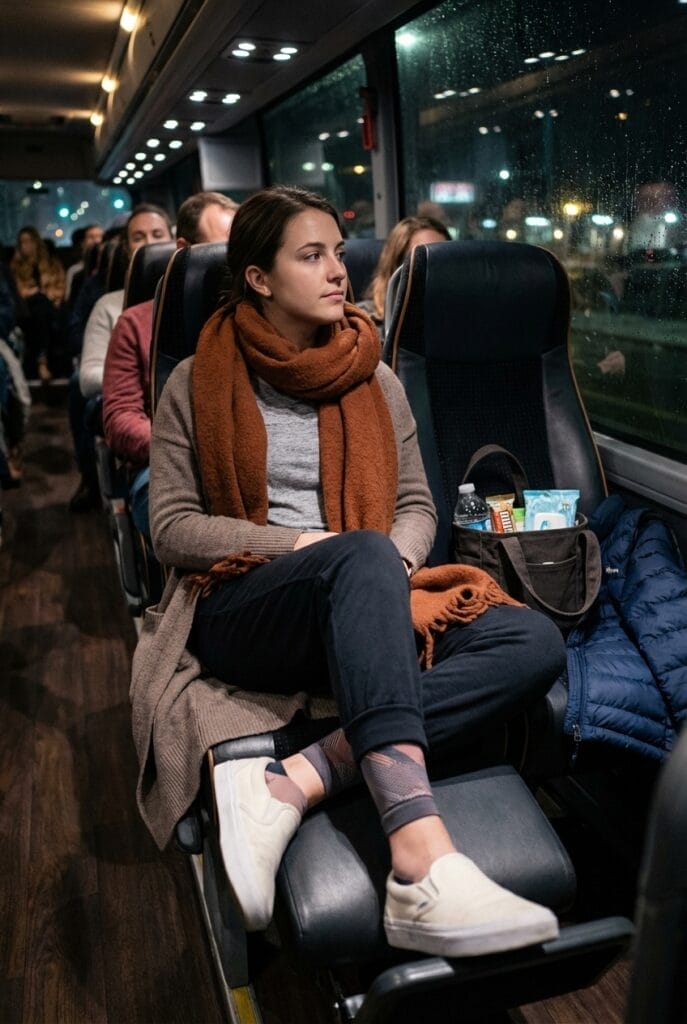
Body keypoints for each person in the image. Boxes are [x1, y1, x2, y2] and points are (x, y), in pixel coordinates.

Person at [133, 185, 566, 958]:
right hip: (244, 607)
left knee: (532, 643)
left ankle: (300, 776)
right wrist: (306, 548)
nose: (338, 270)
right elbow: (171, 529)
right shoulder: (193, 383)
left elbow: (414, 505)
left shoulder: (376, 375)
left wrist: (393, 558)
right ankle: (419, 861)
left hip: (365, 591)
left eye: (338, 251)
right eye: (311, 256)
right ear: (259, 278)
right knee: (359, 551)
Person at [102, 191, 238, 537]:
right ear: (184, 250)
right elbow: (120, 418)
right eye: (225, 251)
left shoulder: (262, 319)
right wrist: (190, 448)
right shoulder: (135, 322)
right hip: (165, 467)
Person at [70, 205, 173, 512]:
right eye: (139, 237)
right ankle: (91, 480)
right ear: (127, 250)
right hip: (143, 423)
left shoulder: (207, 305)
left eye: (157, 235)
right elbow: (89, 377)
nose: (150, 243)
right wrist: (127, 374)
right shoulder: (112, 308)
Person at [359, 215, 451, 332]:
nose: (434, 269)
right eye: (422, 260)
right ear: (396, 268)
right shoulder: (363, 321)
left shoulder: (460, 315)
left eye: (441, 258)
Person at [9, 225, 66, 380]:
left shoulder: (52, 264)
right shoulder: (15, 268)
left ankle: (42, 361)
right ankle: (42, 362)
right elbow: (16, 293)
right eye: (22, 242)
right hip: (27, 311)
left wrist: (48, 296)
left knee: (43, 307)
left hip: (51, 307)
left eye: (29, 241)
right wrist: (33, 293)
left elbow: (61, 288)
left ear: (36, 242)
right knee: (39, 306)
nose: (26, 245)